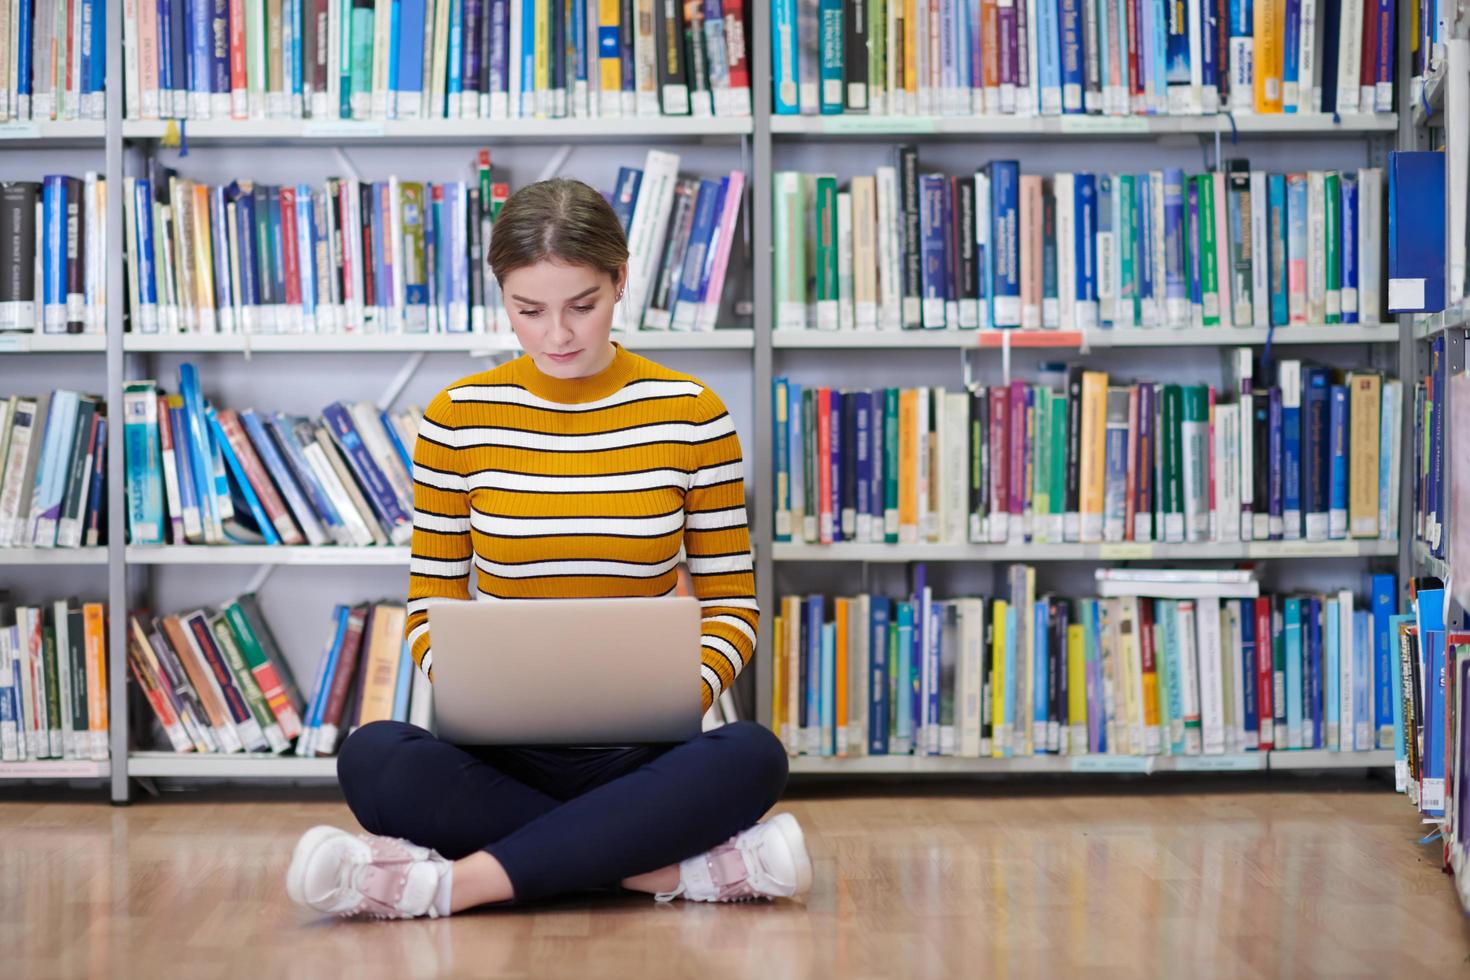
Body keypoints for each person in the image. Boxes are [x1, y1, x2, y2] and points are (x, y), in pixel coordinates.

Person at [285, 177, 811, 920]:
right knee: (373, 757)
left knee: (753, 755)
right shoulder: (456, 419)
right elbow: (432, 602)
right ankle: (664, 868)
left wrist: (679, 693)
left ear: (620, 279)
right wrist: (468, 690)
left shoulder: (693, 416)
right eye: (529, 311)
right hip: (500, 753)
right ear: (502, 293)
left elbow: (730, 603)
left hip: (645, 751)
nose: (557, 335)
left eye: (582, 306)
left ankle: (448, 884)